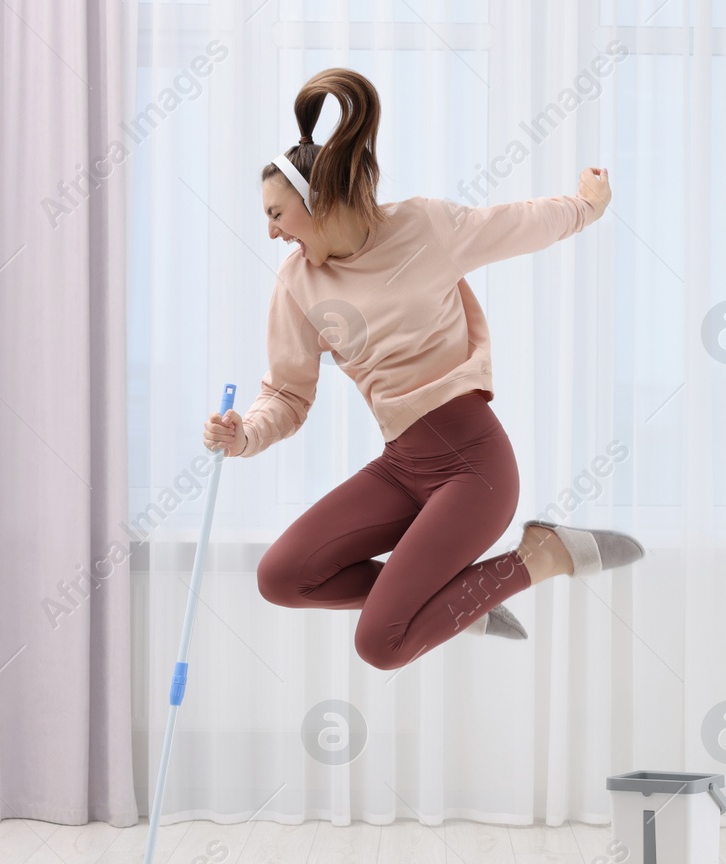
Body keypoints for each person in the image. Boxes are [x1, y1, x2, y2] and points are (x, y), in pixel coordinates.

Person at [201, 68, 644, 672]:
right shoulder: (297, 283)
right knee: (282, 577)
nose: (272, 232)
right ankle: (455, 605)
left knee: (379, 644)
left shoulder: (423, 227)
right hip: (402, 467)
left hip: (473, 469)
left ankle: (543, 556)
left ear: (319, 199)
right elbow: (286, 392)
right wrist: (244, 434)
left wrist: (586, 207)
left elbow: (519, 224)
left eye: (278, 213)